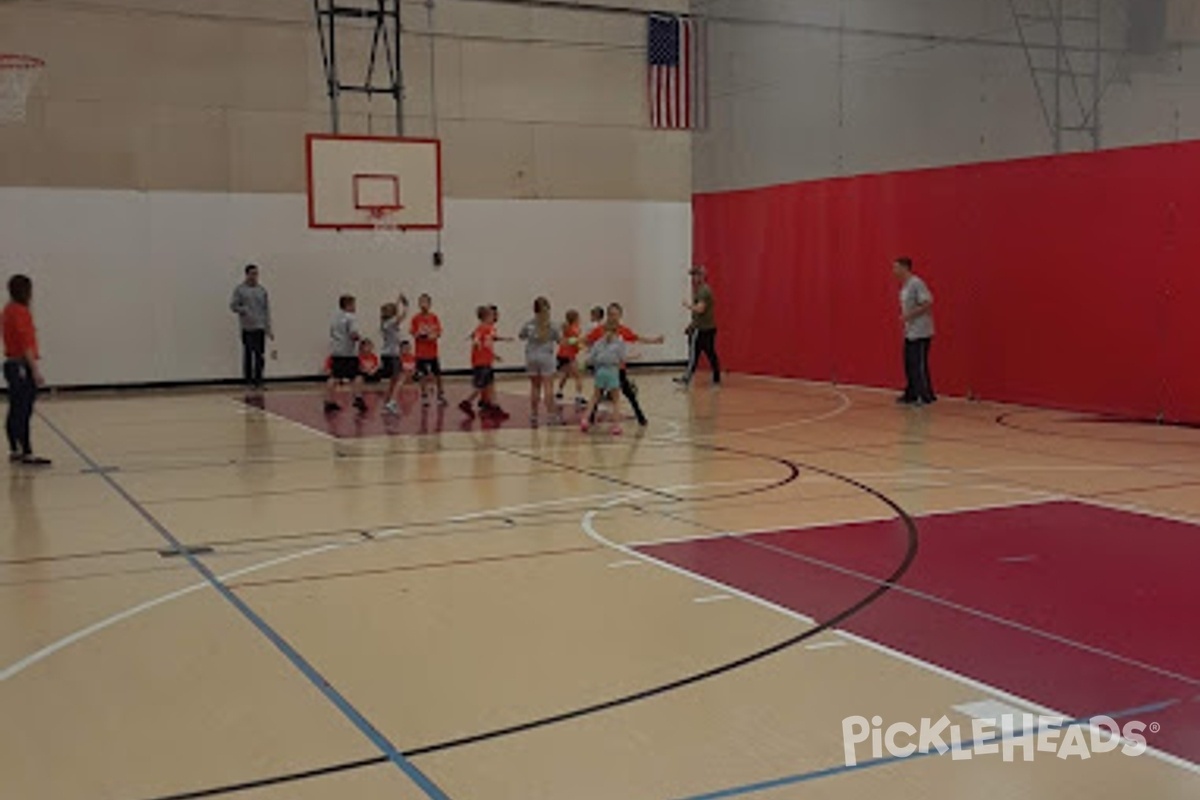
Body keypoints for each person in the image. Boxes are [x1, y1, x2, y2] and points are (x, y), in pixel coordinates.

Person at [585, 302, 663, 427]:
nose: (613, 317)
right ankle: (590, 418)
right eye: (610, 314)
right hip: (602, 369)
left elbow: (637, 338)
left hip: (618, 370)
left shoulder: (623, 331)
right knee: (597, 395)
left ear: (620, 316)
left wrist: (654, 340)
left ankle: (640, 416)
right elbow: (587, 340)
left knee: (628, 393)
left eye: (615, 314)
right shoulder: (600, 330)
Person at [3, 275, 50, 466]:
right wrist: (35, 370)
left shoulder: (7, 310)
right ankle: (27, 451)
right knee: (23, 409)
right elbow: (26, 344)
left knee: (15, 408)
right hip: (21, 365)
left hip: (10, 364)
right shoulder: (21, 312)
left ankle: (15, 448)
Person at [894, 256, 936, 405]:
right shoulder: (905, 286)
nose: (894, 271)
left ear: (905, 268)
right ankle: (911, 393)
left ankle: (925, 396)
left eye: (896, 267)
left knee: (919, 364)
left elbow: (927, 302)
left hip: (921, 332)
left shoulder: (917, 283)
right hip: (910, 332)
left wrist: (909, 315)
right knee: (909, 363)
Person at [459, 305, 509, 420]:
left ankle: (495, 407)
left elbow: (489, 343)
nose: (494, 317)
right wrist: (477, 342)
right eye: (492, 315)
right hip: (480, 362)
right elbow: (477, 338)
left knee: (491, 384)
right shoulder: (481, 328)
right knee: (480, 386)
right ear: (486, 317)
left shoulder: (491, 329)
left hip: (487, 361)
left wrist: (495, 355)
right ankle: (467, 402)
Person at [519, 296, 562, 426]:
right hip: (546, 357)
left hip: (531, 356)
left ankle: (534, 415)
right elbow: (559, 340)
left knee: (535, 387)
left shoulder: (529, 324)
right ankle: (551, 415)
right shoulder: (552, 325)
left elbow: (521, 335)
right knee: (548, 387)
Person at [229, 264, 272, 390]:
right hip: (247, 327)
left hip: (260, 327)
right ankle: (248, 381)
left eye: (256, 274)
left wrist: (268, 328)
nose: (254, 276)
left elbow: (266, 310)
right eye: (252, 273)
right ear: (246, 274)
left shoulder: (262, 290)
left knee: (260, 355)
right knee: (248, 354)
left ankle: (259, 381)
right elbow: (233, 305)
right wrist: (244, 310)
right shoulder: (240, 290)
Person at [677, 264, 721, 387]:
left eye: (696, 275)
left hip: (702, 329)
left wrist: (687, 305)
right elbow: (701, 314)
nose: (694, 278)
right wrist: (690, 325)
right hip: (707, 328)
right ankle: (716, 378)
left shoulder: (703, 291)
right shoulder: (703, 290)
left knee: (694, 354)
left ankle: (687, 378)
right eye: (693, 275)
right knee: (709, 353)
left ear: (702, 276)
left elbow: (700, 309)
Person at [581, 320, 627, 436]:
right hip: (612, 370)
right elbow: (622, 358)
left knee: (595, 397)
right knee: (616, 400)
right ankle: (616, 425)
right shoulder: (619, 343)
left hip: (600, 371)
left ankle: (585, 420)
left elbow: (591, 358)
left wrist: (585, 363)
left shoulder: (598, 343)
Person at [324, 294, 367, 413]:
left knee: (334, 376)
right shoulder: (351, 317)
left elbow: (331, 332)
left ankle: (328, 401)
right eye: (353, 304)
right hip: (348, 352)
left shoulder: (335, 317)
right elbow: (353, 333)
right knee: (358, 375)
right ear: (348, 305)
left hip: (337, 351)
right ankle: (358, 398)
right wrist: (360, 339)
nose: (355, 307)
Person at [410, 293, 447, 407]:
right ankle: (424, 396)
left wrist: (434, 336)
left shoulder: (434, 317)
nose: (423, 304)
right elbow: (413, 332)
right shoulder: (416, 318)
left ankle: (440, 395)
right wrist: (421, 335)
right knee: (423, 375)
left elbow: (439, 331)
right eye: (421, 302)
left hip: (432, 352)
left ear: (430, 304)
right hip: (421, 352)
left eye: (426, 302)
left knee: (437, 374)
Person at [379, 294, 410, 414]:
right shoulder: (392, 322)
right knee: (401, 378)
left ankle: (387, 403)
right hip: (393, 355)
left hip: (386, 355)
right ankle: (392, 402)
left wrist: (397, 301)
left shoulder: (384, 323)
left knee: (393, 379)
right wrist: (406, 306)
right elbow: (402, 316)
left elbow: (394, 312)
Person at [555, 309, 586, 407]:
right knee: (578, 376)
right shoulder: (575, 328)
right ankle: (579, 396)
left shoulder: (566, 328)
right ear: (576, 318)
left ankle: (559, 391)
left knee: (565, 374)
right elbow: (574, 341)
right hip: (569, 355)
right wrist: (580, 345)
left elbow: (567, 339)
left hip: (561, 354)